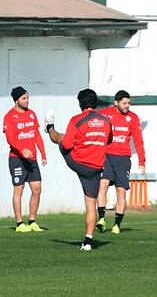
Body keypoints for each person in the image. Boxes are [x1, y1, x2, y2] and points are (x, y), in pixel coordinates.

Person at [45, 89, 112, 251]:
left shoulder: (77, 119)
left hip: (78, 162)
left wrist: (70, 139)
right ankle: (88, 242)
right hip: (96, 168)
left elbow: (68, 145)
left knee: (61, 139)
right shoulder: (106, 121)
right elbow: (109, 140)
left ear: (80, 103)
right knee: (91, 205)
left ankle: (48, 126)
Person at [96, 90, 146, 234]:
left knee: (121, 191)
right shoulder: (105, 114)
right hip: (106, 156)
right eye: (124, 103)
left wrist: (142, 161)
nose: (127, 106)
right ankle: (101, 219)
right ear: (116, 103)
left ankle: (117, 224)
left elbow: (138, 140)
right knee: (103, 185)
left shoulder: (133, 118)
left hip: (123, 159)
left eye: (129, 103)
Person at [2, 86, 47, 233]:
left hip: (32, 159)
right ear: (16, 100)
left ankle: (32, 221)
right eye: (24, 98)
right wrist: (21, 149)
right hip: (17, 159)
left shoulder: (32, 114)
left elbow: (37, 135)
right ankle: (19, 223)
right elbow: (10, 138)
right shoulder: (9, 116)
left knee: (37, 189)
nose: (27, 101)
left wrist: (43, 154)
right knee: (18, 190)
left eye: (27, 98)